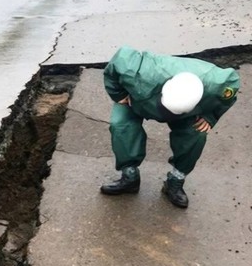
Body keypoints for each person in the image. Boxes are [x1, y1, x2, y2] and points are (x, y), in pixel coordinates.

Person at [100, 46, 240, 208]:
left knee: (197, 133)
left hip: (187, 113)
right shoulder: (139, 71)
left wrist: (211, 116)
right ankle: (129, 177)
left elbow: (232, 87)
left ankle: (175, 181)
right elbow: (116, 63)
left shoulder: (216, 83)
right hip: (137, 99)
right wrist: (119, 95)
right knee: (120, 125)